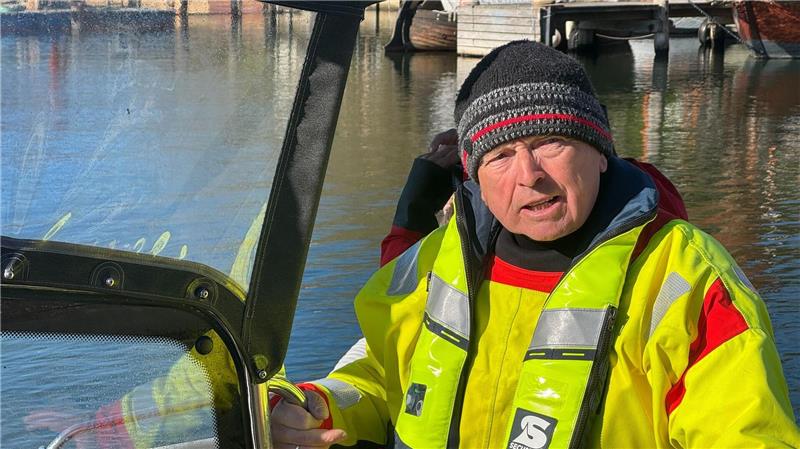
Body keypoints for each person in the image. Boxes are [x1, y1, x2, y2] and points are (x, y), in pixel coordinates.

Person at [269, 40, 800, 448]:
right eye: (499, 156)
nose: (529, 175)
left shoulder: (685, 278)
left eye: (551, 142)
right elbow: (380, 376)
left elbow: (745, 431)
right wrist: (312, 407)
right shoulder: (435, 260)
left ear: (600, 152)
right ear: (473, 175)